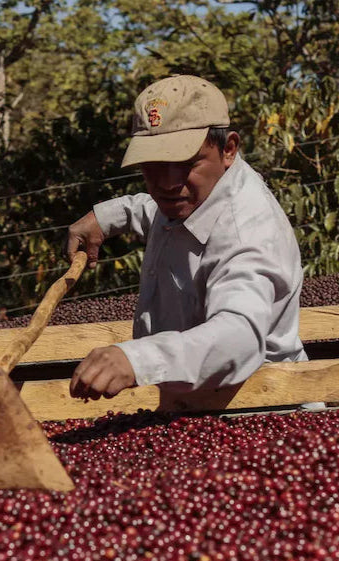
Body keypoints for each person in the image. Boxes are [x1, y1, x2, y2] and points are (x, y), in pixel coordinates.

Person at [65, 74, 306, 400]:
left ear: (229, 149)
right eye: (152, 165)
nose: (166, 183)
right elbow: (155, 211)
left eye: (185, 164)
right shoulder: (194, 198)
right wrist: (108, 218)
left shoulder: (248, 233)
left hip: (261, 412)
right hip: (190, 410)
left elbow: (238, 336)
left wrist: (138, 358)